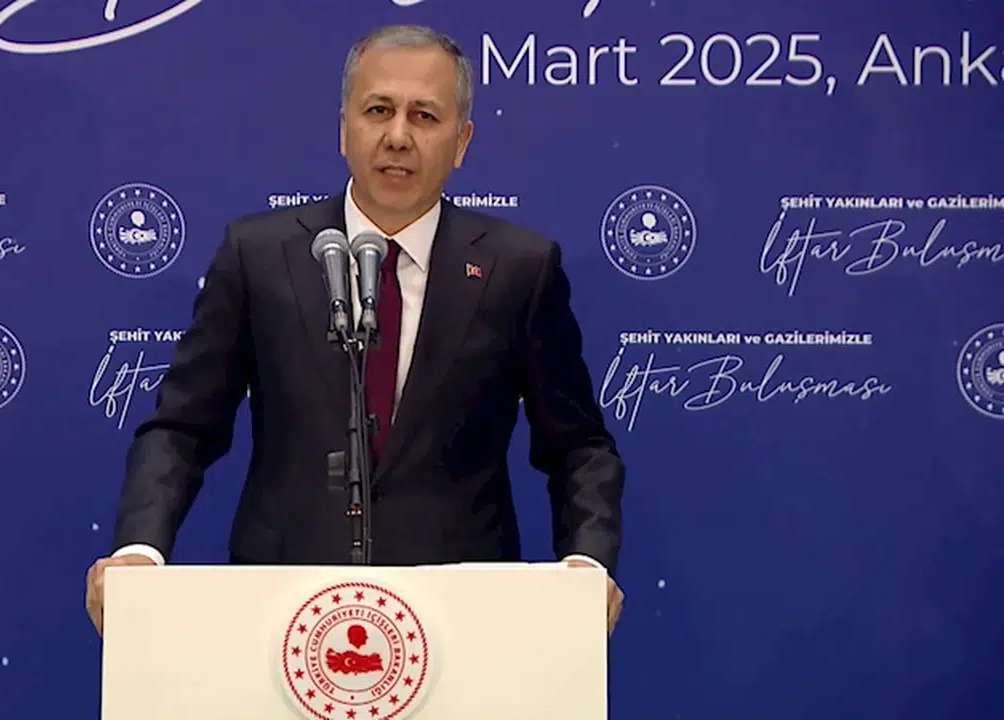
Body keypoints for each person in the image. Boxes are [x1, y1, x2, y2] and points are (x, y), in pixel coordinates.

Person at [86, 24, 626, 637]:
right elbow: (183, 427)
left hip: (459, 624)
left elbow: (578, 447)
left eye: (425, 116)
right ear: (344, 128)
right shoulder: (259, 255)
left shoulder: (518, 269)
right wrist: (140, 551)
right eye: (378, 111)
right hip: (281, 615)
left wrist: (586, 564)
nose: (398, 136)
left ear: (462, 142)